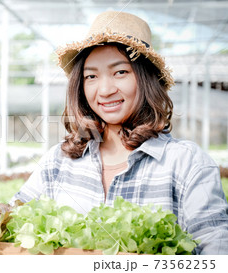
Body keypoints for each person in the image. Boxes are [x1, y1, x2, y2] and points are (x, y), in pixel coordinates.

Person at [11, 11, 228, 254]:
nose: (104, 90)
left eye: (120, 72)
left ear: (146, 79)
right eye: (91, 76)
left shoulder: (187, 163)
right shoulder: (58, 161)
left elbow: (216, 250)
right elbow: (11, 218)